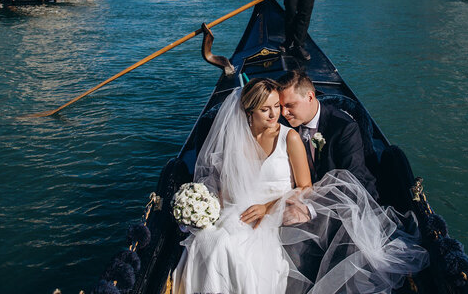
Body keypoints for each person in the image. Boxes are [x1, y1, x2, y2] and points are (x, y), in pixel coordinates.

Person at [173, 78, 428, 294]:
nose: (277, 114)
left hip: (275, 211)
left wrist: (267, 207)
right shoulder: (234, 139)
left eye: (279, 106)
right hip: (238, 210)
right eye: (267, 109)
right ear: (249, 111)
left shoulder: (290, 136)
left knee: (236, 252)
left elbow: (306, 185)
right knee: (208, 240)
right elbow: (225, 187)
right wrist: (209, 206)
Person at [278, 69, 378, 204]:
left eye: (290, 105)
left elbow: (354, 182)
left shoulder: (344, 128)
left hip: (345, 204)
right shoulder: (282, 123)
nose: (284, 112)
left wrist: (311, 210)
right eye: (281, 106)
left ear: (310, 97)